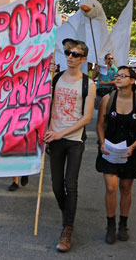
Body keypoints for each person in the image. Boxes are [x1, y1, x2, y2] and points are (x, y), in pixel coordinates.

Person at [45, 39, 96, 253]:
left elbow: (86, 119)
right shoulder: (56, 78)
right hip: (54, 138)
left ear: (83, 59)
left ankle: (67, 230)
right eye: (67, 52)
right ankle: (67, 214)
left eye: (75, 54)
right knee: (57, 185)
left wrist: (61, 132)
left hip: (74, 140)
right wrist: (45, 79)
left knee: (70, 184)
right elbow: (44, 103)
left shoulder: (88, 84)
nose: (70, 57)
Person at [96, 66, 136, 244]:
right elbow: (99, 124)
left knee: (126, 189)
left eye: (123, 75)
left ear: (132, 80)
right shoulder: (107, 99)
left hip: (130, 151)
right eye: (117, 75)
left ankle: (123, 224)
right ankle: (110, 225)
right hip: (109, 149)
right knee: (111, 188)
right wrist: (102, 142)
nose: (118, 78)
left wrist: (134, 147)